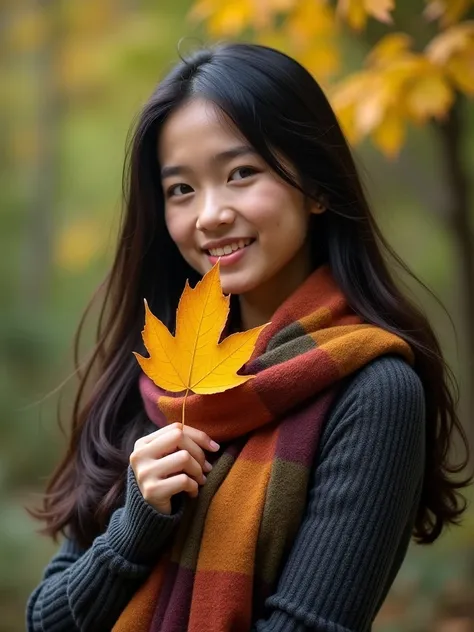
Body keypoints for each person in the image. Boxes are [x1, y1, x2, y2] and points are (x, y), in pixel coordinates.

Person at [27, 42, 470, 632]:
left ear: (315, 187)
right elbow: (45, 621)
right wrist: (135, 528)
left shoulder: (374, 392)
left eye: (241, 173)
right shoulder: (158, 382)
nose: (209, 214)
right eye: (181, 189)